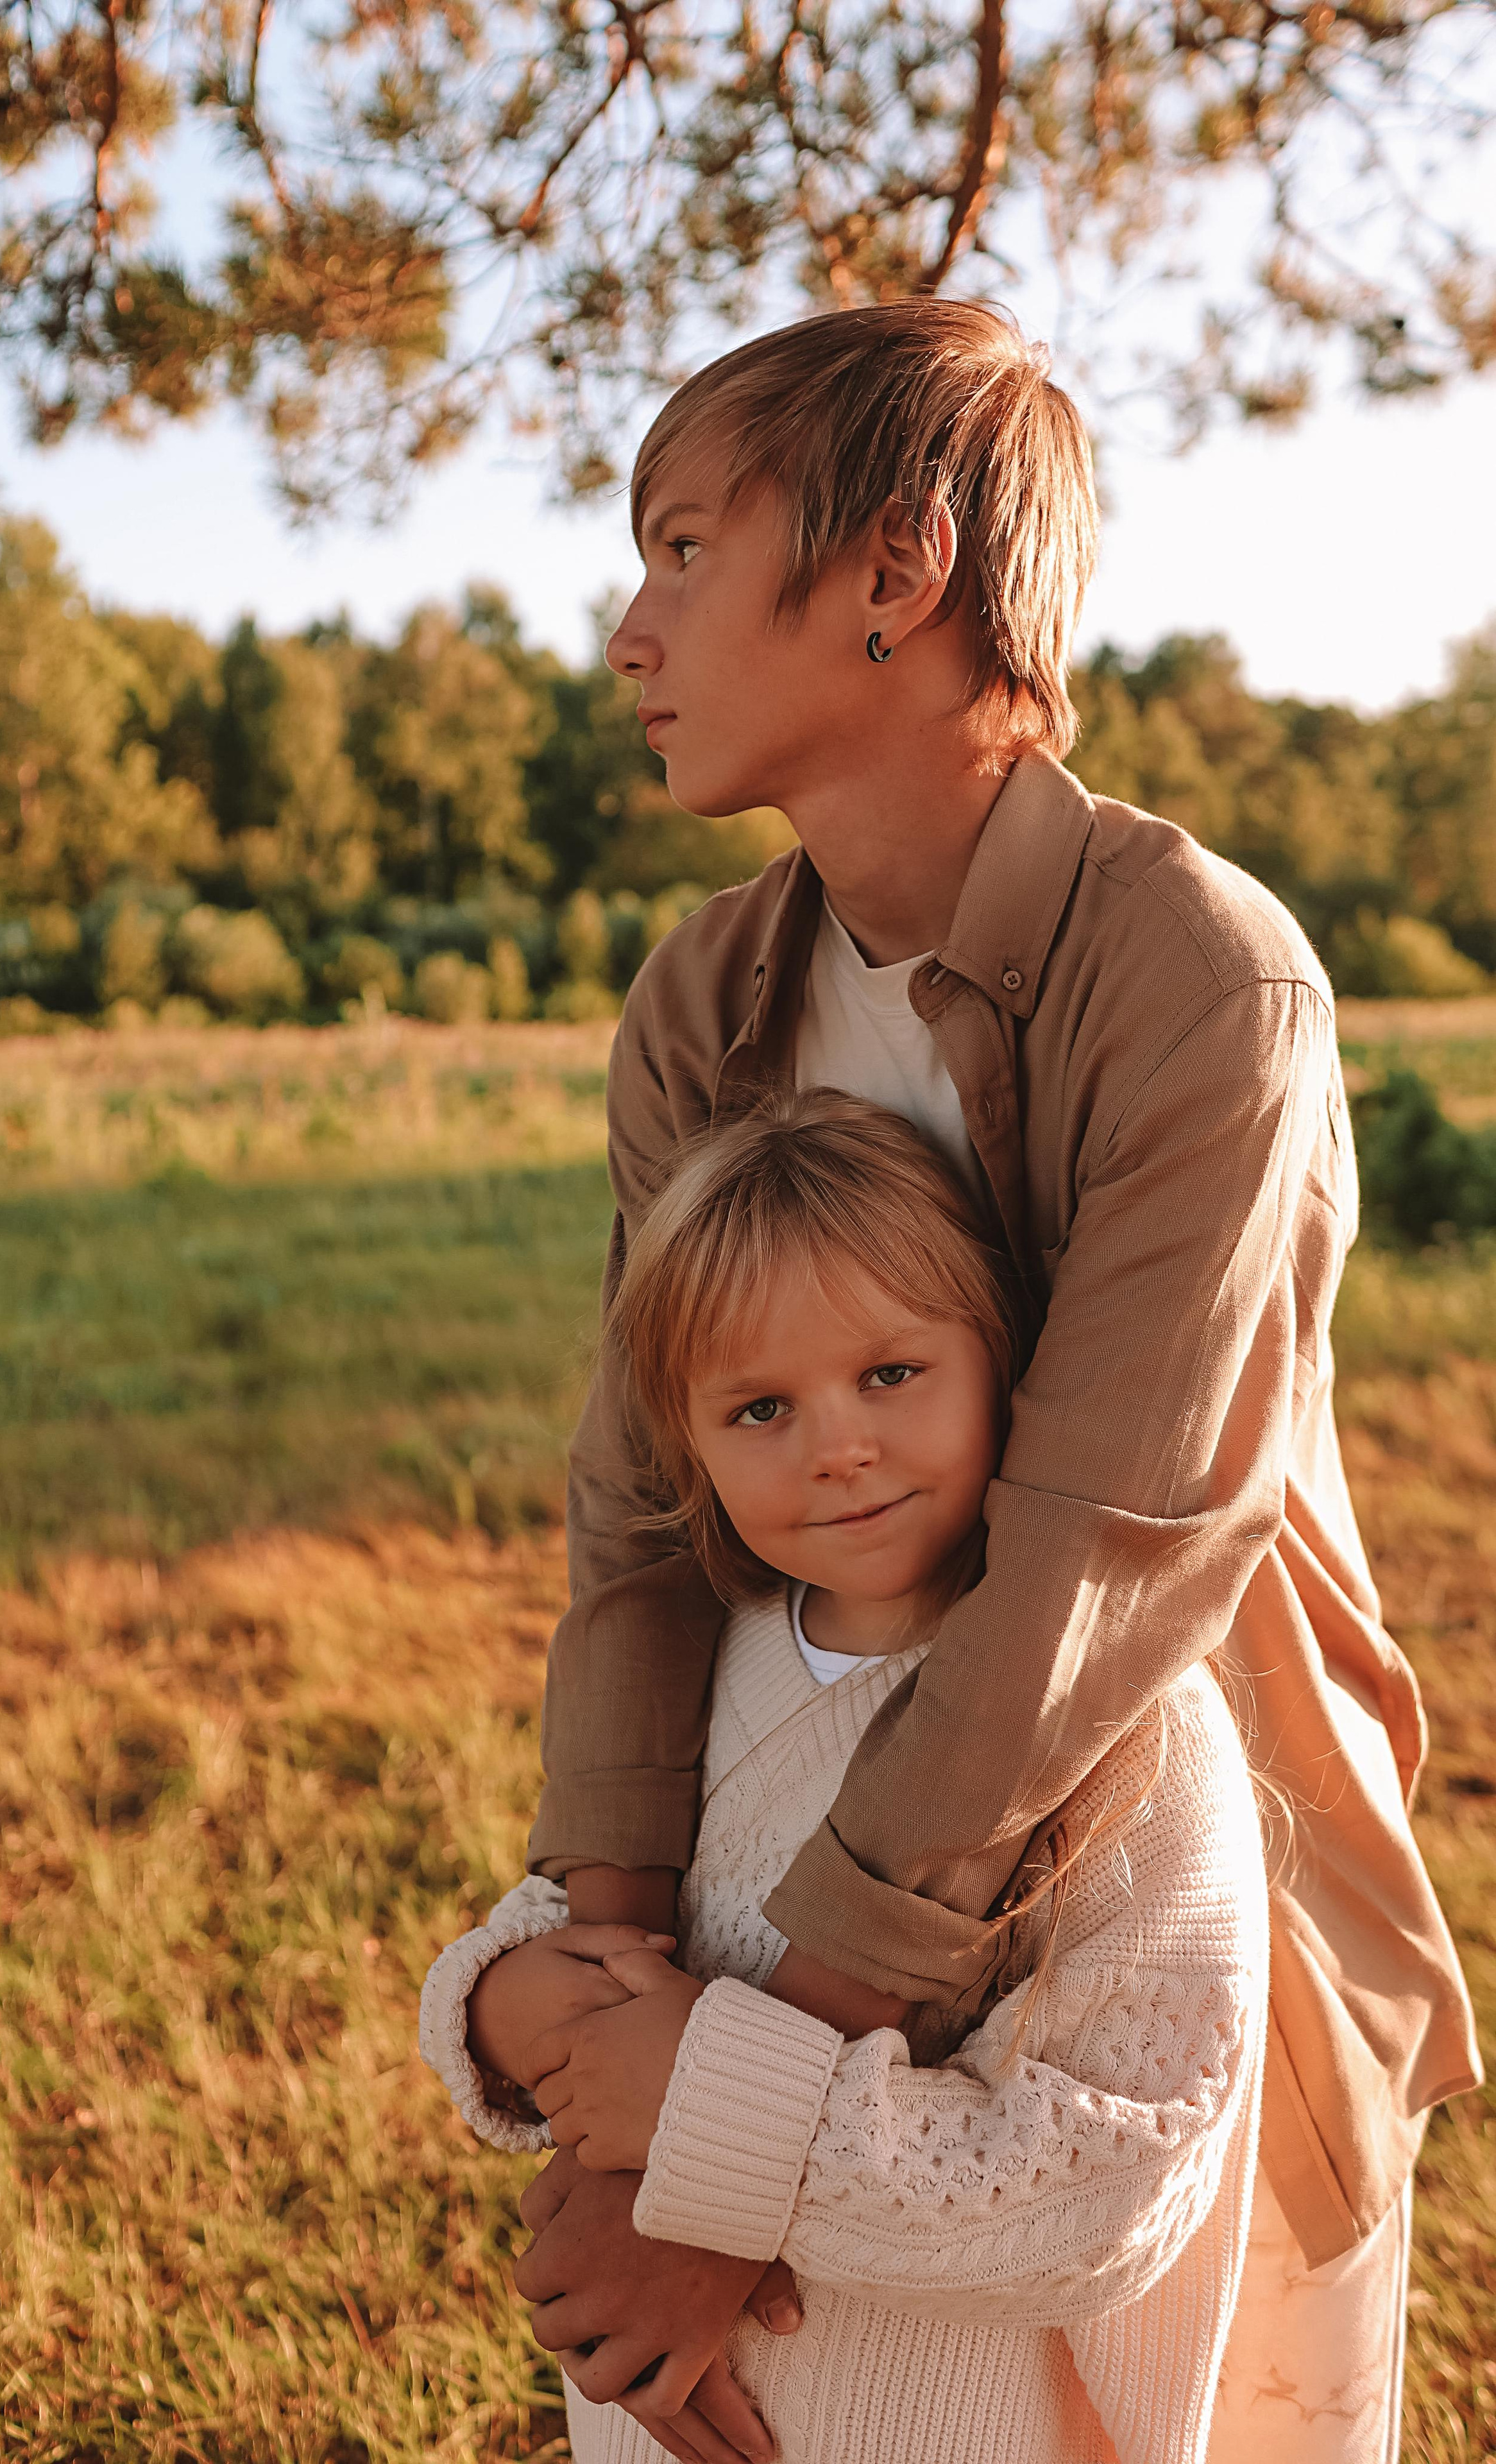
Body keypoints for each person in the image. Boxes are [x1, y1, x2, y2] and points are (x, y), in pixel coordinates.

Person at [502, 298, 1476, 2463]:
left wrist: (722, 2150)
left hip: (1147, 1850)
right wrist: (615, 1994)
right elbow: (646, 1515)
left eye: (678, 547)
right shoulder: (702, 1000)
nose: (628, 628)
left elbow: (1101, 1577)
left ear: (893, 572)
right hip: (789, 1819)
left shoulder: (1197, 972)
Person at [421, 1091, 1271, 2464]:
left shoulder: (1131, 1735)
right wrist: (506, 2003)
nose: (837, 1447)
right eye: (759, 1407)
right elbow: (599, 1939)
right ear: (680, 1440)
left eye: (889, 1374)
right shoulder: (709, 1668)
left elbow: (1112, 2182)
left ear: (1000, 1357)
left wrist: (720, 2131)